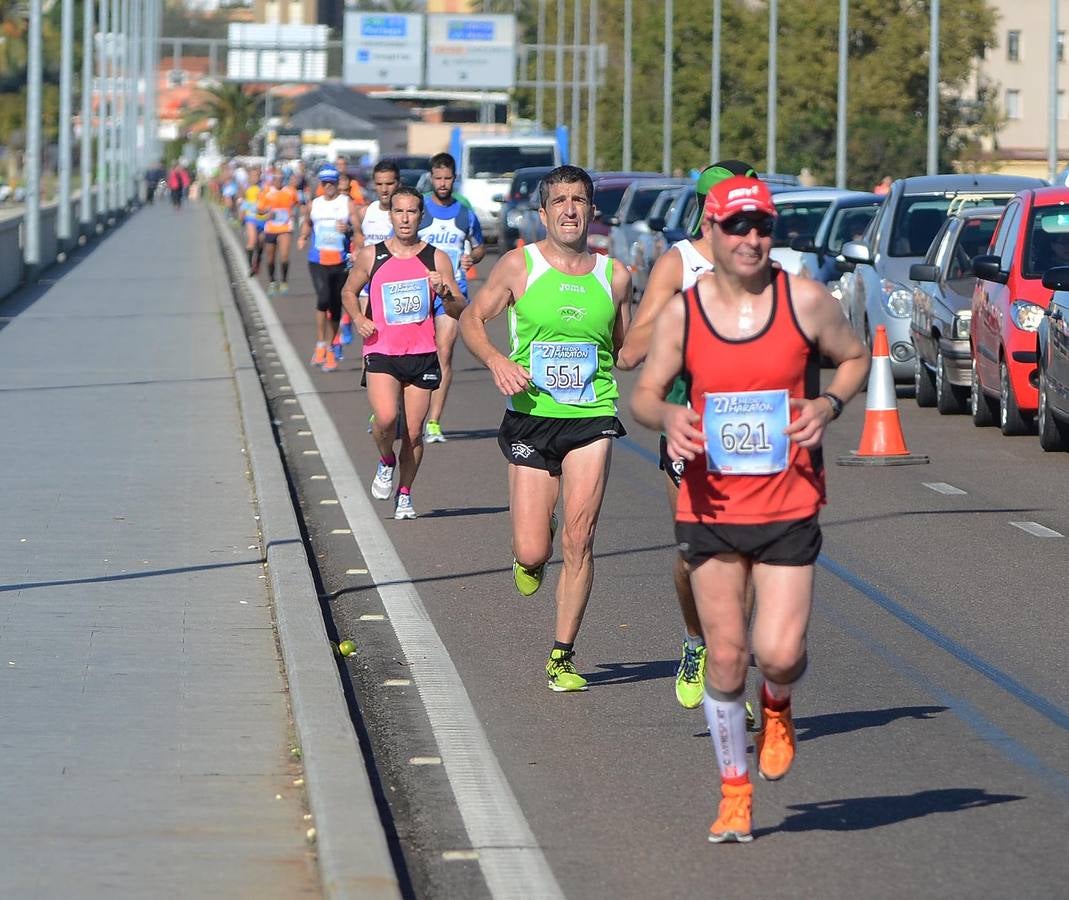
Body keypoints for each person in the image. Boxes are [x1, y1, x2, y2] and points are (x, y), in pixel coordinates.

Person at [630, 175, 869, 843]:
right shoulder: (684, 311)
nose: (751, 239)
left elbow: (852, 359)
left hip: (788, 498)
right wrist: (669, 414)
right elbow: (643, 394)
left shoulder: (805, 300)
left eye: (761, 226)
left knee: (780, 653)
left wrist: (827, 405)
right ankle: (733, 792)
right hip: (709, 501)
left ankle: (780, 704)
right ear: (711, 229)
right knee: (728, 656)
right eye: (737, 227)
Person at [459, 164, 632, 692]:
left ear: (592, 211)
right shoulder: (519, 266)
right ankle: (533, 549)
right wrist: (495, 360)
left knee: (581, 537)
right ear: (543, 212)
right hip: (531, 418)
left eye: (579, 200)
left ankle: (562, 654)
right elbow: (472, 319)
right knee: (534, 550)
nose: (570, 210)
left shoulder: (615, 276)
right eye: (560, 201)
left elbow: (624, 350)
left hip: (592, 416)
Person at [618, 160, 759, 715]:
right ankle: (696, 641)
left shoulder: (756, 264)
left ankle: (732, 666)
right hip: (688, 421)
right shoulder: (680, 261)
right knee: (695, 551)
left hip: (746, 422)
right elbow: (632, 348)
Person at [340, 185, 465, 520]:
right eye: (399, 211)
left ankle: (405, 494)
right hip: (381, 349)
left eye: (412, 211)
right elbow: (349, 291)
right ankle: (386, 461)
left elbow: (457, 309)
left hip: (421, 352)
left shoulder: (436, 257)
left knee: (412, 432)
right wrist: (357, 320)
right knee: (385, 419)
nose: (405, 218)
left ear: (421, 216)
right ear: (390, 215)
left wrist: (444, 291)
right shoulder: (372, 255)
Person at [419, 151, 487, 443]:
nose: (443, 183)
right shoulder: (419, 209)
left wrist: (473, 258)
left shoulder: (464, 213)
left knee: (444, 353)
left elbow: (480, 246)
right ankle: (410, 413)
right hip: (418, 290)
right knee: (416, 353)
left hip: (453, 292)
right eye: (438, 178)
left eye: (447, 178)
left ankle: (434, 422)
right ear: (431, 178)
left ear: (454, 179)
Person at [299, 165, 357, 373]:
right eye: (325, 183)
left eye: (332, 182)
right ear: (321, 184)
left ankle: (331, 346)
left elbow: (358, 231)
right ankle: (321, 344)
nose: (329, 186)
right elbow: (307, 223)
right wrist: (303, 236)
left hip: (340, 262)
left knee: (335, 305)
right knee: (323, 299)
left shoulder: (346, 203)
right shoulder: (315, 204)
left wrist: (349, 230)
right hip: (318, 260)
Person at [263, 170, 300, 295]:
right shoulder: (266, 191)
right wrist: (266, 212)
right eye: (275, 178)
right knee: (270, 258)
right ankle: (272, 282)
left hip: (285, 227)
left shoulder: (290, 191)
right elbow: (259, 209)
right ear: (272, 179)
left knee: (284, 255)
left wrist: (295, 213)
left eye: (280, 178)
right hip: (271, 228)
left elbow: (298, 204)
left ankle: (284, 281)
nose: (278, 181)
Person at [240, 168, 267, 276]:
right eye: (252, 176)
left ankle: (258, 262)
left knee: (260, 243)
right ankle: (250, 266)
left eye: (256, 176)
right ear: (249, 177)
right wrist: (241, 214)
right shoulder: (245, 187)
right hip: (250, 217)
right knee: (252, 240)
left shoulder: (264, 187)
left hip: (262, 218)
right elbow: (242, 202)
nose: (254, 178)